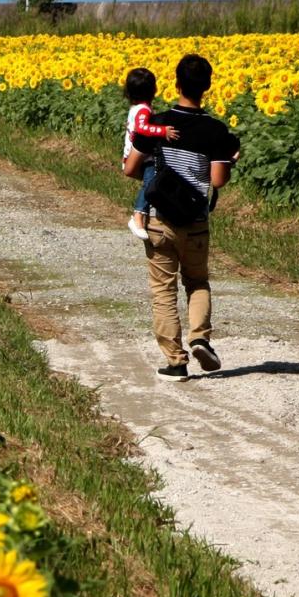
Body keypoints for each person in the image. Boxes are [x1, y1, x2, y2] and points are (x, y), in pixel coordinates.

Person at [124, 54, 240, 379]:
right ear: (208, 87)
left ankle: (176, 361)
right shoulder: (215, 131)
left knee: (163, 290)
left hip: (160, 220)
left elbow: (131, 168)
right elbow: (217, 180)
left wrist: (158, 181)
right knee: (197, 282)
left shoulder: (159, 124)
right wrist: (229, 162)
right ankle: (200, 337)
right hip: (196, 222)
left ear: (176, 84)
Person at [121, 67, 179, 240]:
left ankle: (145, 216)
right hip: (142, 157)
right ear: (154, 89)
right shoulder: (144, 110)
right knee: (151, 182)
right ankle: (138, 215)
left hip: (133, 154)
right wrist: (163, 131)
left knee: (151, 182)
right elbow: (142, 128)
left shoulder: (136, 108)